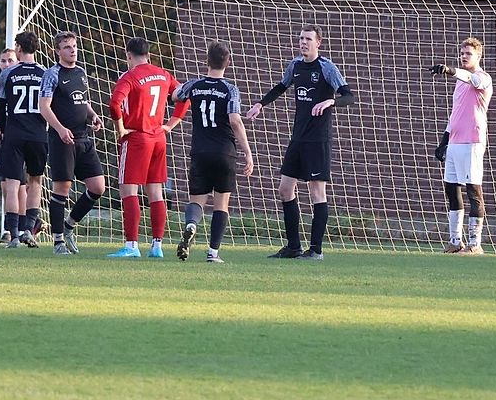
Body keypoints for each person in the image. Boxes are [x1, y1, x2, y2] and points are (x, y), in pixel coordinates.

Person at [246, 25, 354, 260]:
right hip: (298, 138)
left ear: (318, 43)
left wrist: (330, 102)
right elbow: (281, 86)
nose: (303, 42)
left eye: (308, 39)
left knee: (316, 191)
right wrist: (260, 104)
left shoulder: (326, 68)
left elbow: (349, 96)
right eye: (301, 39)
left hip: (318, 140)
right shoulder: (295, 65)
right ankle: (293, 247)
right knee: (285, 189)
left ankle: (316, 250)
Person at [106, 37, 189, 258]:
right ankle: (157, 246)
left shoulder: (130, 76)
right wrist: (170, 125)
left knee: (129, 190)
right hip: (159, 138)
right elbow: (185, 96)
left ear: (128, 55)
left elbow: (114, 104)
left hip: (137, 138)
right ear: (149, 55)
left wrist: (121, 129)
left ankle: (132, 246)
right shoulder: (163, 74)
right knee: (155, 192)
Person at [173, 42, 254, 263]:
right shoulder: (230, 89)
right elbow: (235, 121)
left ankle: (191, 225)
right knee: (221, 204)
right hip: (224, 152)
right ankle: (213, 253)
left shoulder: (194, 85)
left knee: (196, 200)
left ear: (207, 61)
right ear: (227, 63)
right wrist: (247, 151)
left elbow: (175, 96)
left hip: (200, 151)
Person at [38, 31, 106, 256]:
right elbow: (44, 107)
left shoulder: (81, 73)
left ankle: (68, 226)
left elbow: (82, 101)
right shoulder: (52, 74)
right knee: (62, 189)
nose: (72, 50)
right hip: (61, 139)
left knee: (98, 187)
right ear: (57, 51)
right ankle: (58, 242)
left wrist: (93, 116)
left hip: (83, 137)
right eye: (67, 47)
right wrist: (60, 129)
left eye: (74, 46)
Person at [429, 37, 494, 255]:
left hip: (472, 142)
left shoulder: (483, 78)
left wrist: (449, 70)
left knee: (473, 189)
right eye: (462, 53)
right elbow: (455, 115)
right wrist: (443, 141)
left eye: (468, 54)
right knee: (451, 188)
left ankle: (475, 243)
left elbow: (472, 80)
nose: (464, 56)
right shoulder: (459, 83)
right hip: (455, 142)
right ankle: (455, 241)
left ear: (478, 56)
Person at [0, 32, 48, 249]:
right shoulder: (45, 73)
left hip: (14, 133)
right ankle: (29, 230)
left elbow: (0, 105)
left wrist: (1, 128)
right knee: (36, 182)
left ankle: (14, 234)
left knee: (12, 184)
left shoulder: (8, 73)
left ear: (18, 47)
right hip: (38, 134)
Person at [0, 47, 23, 243]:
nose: (6, 64)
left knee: (22, 184)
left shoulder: (21, 79)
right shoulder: (3, 82)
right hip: (8, 136)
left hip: (22, 135)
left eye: (10, 60)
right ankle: (12, 227)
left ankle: (21, 228)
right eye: (3, 61)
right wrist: (0, 128)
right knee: (7, 184)